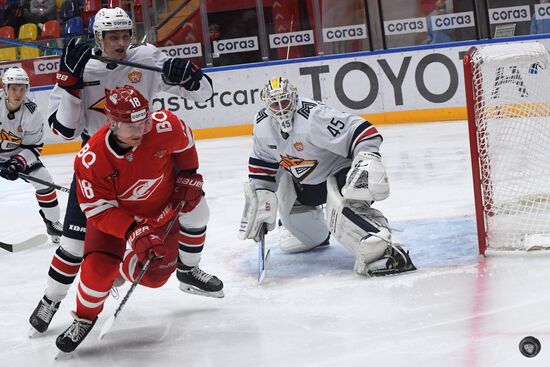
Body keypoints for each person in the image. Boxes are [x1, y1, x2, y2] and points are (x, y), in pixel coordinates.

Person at [29, 7, 216, 335]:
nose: (120, 42)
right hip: (101, 165)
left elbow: (205, 93)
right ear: (97, 37)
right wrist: (69, 82)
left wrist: (189, 75)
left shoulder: (145, 57)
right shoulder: (79, 64)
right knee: (73, 246)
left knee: (196, 209)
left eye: (125, 34)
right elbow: (65, 131)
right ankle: (51, 299)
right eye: (112, 36)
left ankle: (188, 270)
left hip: (149, 157)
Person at [55, 85, 222, 353]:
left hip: (162, 208)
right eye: (131, 126)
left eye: (144, 121)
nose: (140, 130)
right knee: (98, 269)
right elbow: (97, 210)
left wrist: (189, 174)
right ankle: (84, 318)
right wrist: (133, 231)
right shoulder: (91, 158)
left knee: (159, 273)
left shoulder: (163, 125)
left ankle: (185, 270)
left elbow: (186, 143)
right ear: (111, 123)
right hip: (118, 218)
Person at [238, 77, 416, 277]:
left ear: (294, 99)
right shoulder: (262, 126)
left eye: (284, 102)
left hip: (340, 175)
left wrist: (368, 157)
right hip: (305, 186)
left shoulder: (314, 116)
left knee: (341, 210)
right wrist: (261, 201)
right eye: (274, 104)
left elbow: (364, 131)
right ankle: (316, 234)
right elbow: (262, 167)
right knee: (295, 225)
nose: (280, 109)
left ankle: (387, 249)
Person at [0, 67, 63, 243]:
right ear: (5, 88)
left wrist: (17, 164)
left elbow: (34, 146)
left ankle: (52, 222)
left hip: (17, 154)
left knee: (45, 181)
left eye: (22, 88)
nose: (18, 93)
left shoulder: (32, 111)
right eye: (13, 88)